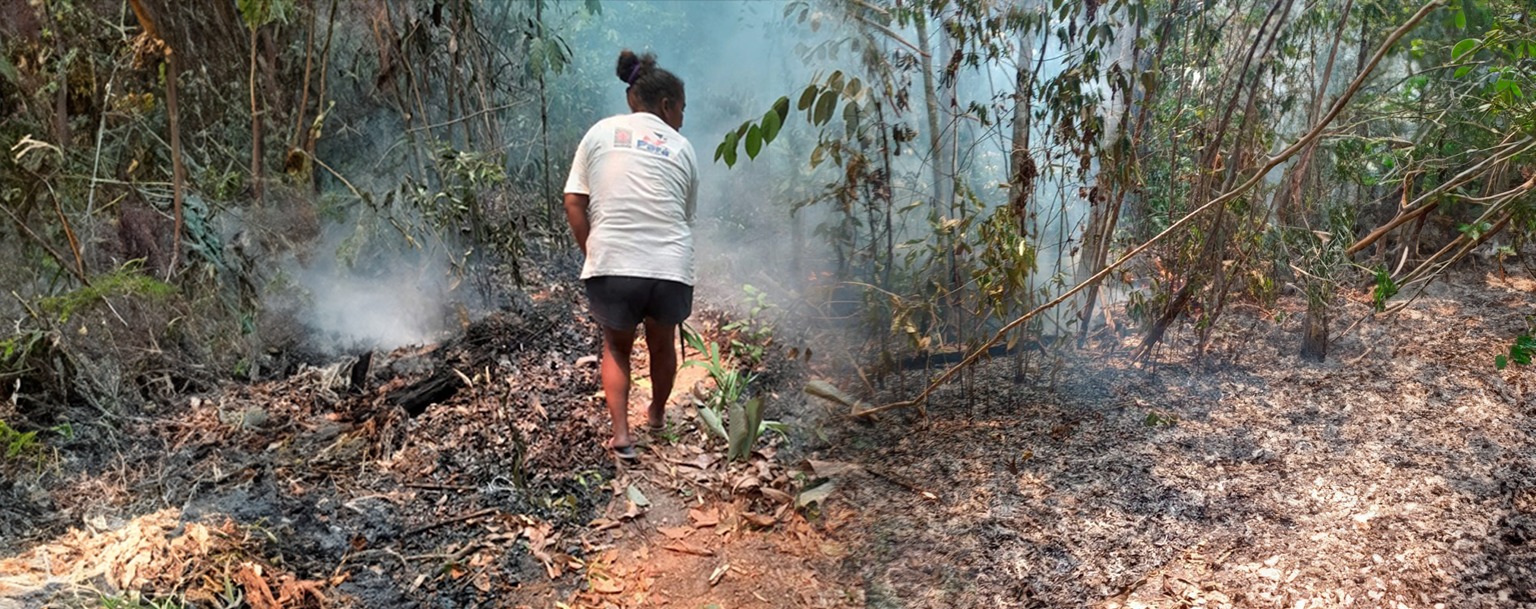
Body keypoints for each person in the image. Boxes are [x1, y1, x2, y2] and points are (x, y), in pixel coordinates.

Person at [563, 50, 697, 461]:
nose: (682, 119)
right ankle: (656, 415)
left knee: (617, 348)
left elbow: (574, 201)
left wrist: (594, 252)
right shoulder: (682, 148)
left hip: (614, 263)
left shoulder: (600, 132)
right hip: (670, 267)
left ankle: (622, 435)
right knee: (662, 346)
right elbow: (685, 217)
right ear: (666, 105)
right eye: (682, 109)